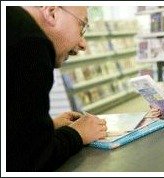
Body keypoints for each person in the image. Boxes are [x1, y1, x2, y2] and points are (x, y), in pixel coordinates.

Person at [7, 6, 108, 171]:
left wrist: (45, 128)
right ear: (52, 13)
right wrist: (77, 134)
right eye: (82, 27)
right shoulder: (30, 43)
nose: (83, 44)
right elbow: (31, 159)